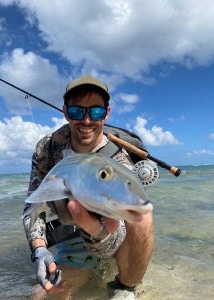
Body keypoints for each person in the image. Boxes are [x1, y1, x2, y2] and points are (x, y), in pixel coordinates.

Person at [23, 75, 153, 299]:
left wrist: (98, 233)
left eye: (95, 112)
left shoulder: (119, 161)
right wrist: (39, 249)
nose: (86, 121)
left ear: (107, 113)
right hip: (73, 241)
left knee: (143, 218)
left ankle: (125, 288)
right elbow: (33, 204)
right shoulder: (48, 148)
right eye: (76, 111)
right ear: (65, 111)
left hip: (114, 239)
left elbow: (118, 234)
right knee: (44, 296)